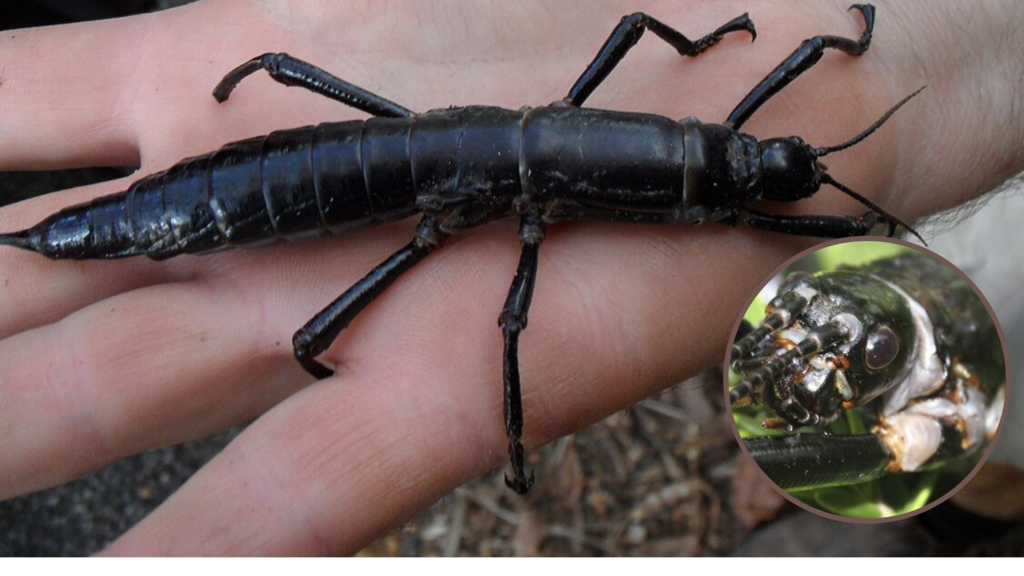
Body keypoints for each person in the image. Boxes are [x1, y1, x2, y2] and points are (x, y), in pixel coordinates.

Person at [0, 0, 1021, 555]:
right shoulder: (682, 191)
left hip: (400, 162)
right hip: (294, 187)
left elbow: (749, 86)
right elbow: (509, 327)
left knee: (333, 324)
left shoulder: (667, 156)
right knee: (391, 329)